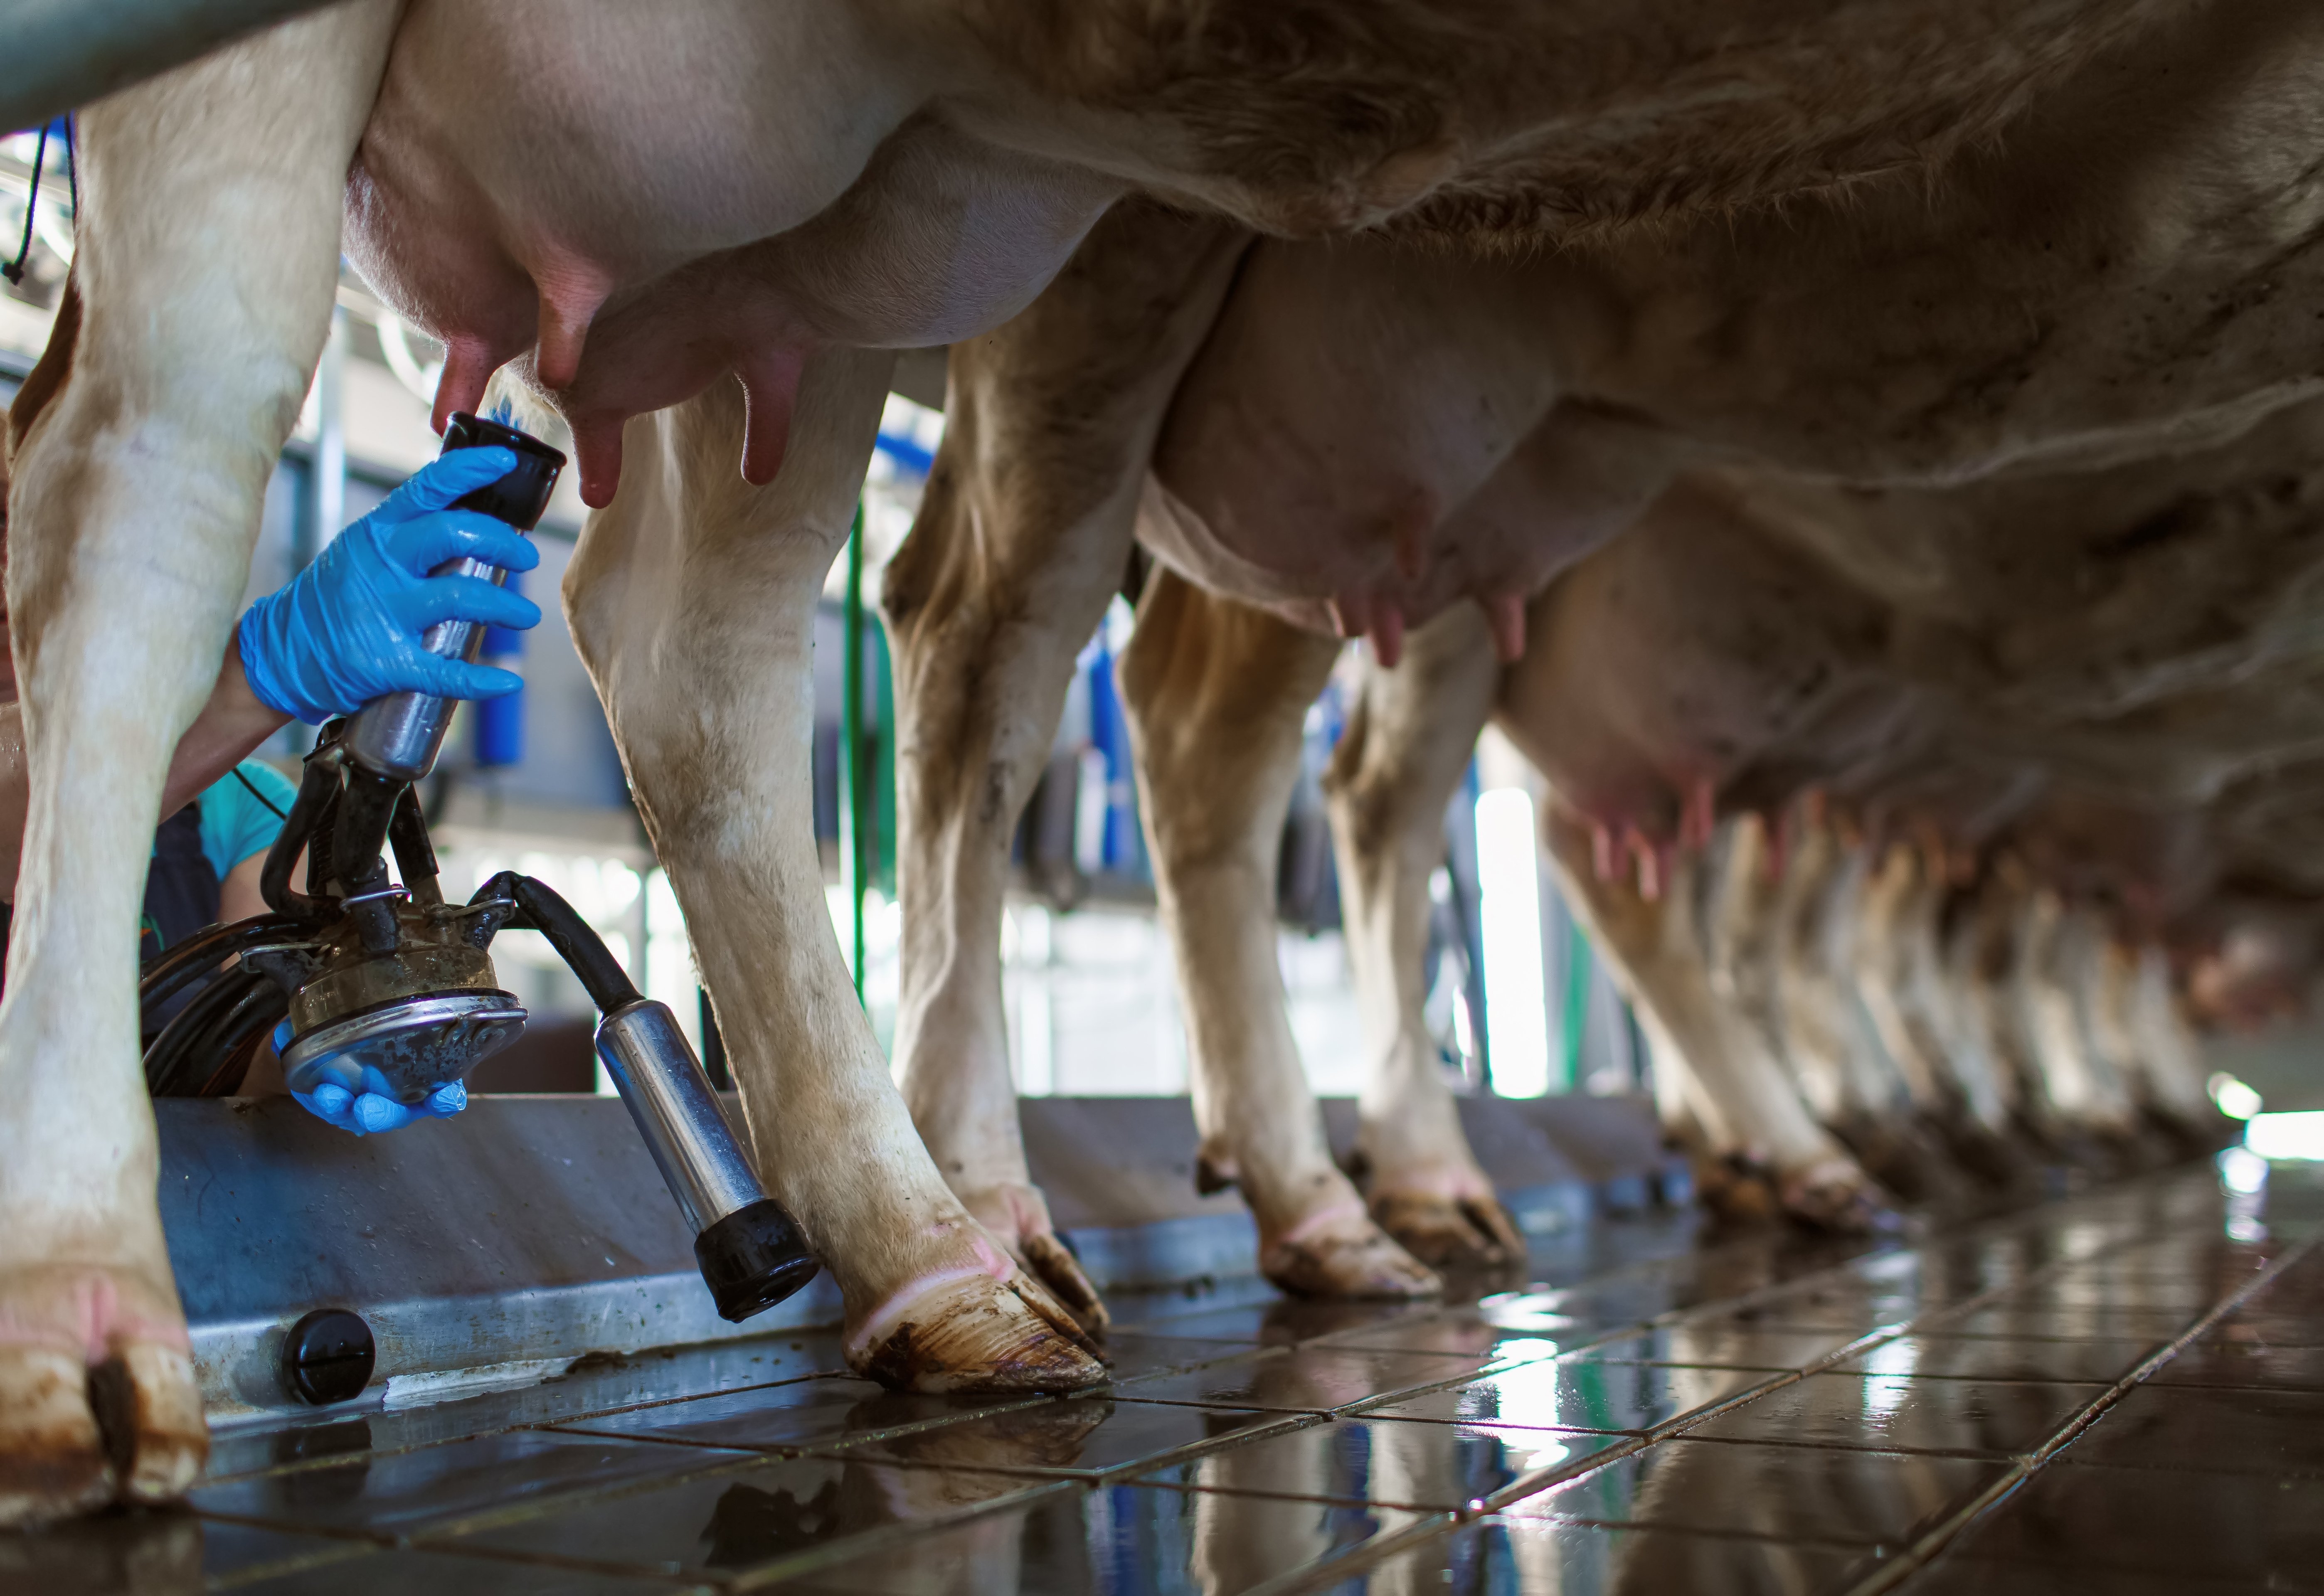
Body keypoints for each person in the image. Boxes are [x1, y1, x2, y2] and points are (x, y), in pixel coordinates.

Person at [0, 446, 541, 1132]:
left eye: (47, 536)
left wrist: (323, 1049)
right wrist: (264, 666)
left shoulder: (243, 804)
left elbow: (243, 1050)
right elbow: (35, 817)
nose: (15, 568)